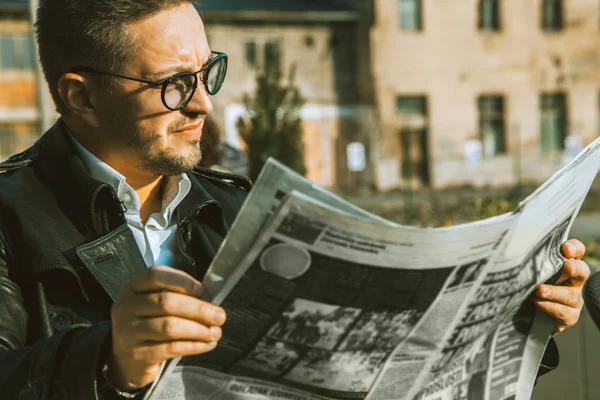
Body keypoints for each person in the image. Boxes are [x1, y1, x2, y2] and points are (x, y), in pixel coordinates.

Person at [0, 0, 590, 399]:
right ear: (80, 97)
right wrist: (111, 362)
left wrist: (516, 320)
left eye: (209, 73)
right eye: (174, 85)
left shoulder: (249, 211)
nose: (204, 103)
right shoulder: (11, 216)